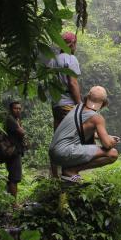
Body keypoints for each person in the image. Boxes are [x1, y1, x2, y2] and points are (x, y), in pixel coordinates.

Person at [49, 86, 119, 182]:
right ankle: (71, 170)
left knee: (88, 144)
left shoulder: (77, 108)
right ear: (104, 103)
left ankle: (68, 171)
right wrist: (110, 140)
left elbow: (80, 131)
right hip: (65, 152)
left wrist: (105, 136)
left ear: (87, 97)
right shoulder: (97, 118)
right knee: (112, 153)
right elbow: (107, 145)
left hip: (54, 153)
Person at [48, 31, 82, 177]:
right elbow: (73, 83)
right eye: (75, 44)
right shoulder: (70, 58)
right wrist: (80, 105)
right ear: (72, 44)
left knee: (57, 139)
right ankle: (69, 174)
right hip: (68, 105)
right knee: (72, 140)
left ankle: (54, 175)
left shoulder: (53, 60)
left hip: (56, 105)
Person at [5, 101, 26, 201]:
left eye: (19, 108)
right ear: (11, 109)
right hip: (13, 153)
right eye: (15, 108)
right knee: (14, 178)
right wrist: (21, 127)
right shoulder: (10, 120)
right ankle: (14, 204)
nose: (18, 110)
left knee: (13, 177)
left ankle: (10, 202)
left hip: (14, 152)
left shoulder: (15, 119)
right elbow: (22, 133)